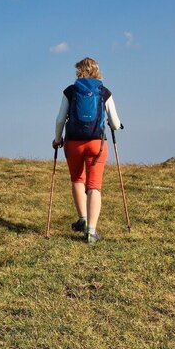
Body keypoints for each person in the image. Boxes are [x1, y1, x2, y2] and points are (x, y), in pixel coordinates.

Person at [52, 57, 122, 244]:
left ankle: (82, 219)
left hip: (73, 142)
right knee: (94, 186)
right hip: (96, 143)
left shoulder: (71, 90)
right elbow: (114, 123)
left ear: (79, 71)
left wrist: (57, 139)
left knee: (77, 179)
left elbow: (60, 119)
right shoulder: (104, 92)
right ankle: (91, 231)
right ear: (97, 71)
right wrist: (114, 125)